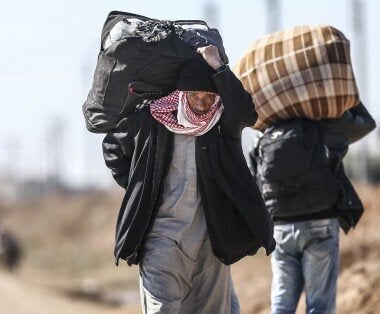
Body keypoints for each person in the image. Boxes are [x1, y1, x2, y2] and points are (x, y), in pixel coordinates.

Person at [102, 45, 275, 313]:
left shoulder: (220, 129)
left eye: (209, 98)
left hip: (210, 239)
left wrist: (219, 68)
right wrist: (140, 185)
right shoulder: (151, 122)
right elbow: (113, 148)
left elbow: (245, 112)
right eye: (195, 96)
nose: (203, 104)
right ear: (181, 96)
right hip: (161, 239)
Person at [248, 104, 375, 313]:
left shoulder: (262, 136)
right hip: (320, 224)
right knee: (319, 305)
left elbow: (255, 182)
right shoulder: (323, 127)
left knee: (281, 304)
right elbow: (365, 124)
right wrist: (343, 100)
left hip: (280, 228)